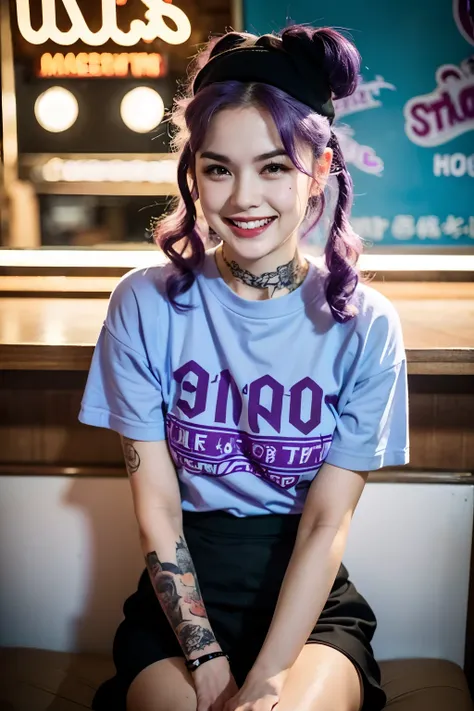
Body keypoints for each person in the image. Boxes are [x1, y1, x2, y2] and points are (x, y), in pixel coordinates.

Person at [79, 24, 409, 711]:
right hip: (179, 608)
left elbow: (324, 525)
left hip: (308, 607)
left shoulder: (366, 325)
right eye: (219, 167)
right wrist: (205, 661)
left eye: (274, 166)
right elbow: (158, 507)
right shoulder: (142, 303)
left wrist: (265, 678)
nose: (242, 198)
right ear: (193, 170)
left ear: (318, 170)